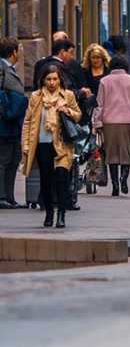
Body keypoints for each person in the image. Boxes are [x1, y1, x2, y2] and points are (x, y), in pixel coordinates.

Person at [21, 64, 81, 228]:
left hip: (62, 145)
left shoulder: (67, 95)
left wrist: (67, 110)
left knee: (62, 179)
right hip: (42, 144)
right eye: (49, 79)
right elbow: (28, 122)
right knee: (46, 182)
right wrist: (25, 144)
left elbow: (78, 115)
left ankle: (61, 214)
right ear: (43, 80)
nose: (52, 82)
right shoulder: (36, 97)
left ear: (60, 80)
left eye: (55, 79)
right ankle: (49, 212)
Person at [93, 55, 130, 196]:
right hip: (128, 121)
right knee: (126, 152)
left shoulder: (104, 81)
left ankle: (115, 184)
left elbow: (100, 104)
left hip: (109, 122)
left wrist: (96, 122)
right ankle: (124, 178)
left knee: (111, 154)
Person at [0, 38, 27, 209]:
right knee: (3, 160)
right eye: (20, 50)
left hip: (14, 124)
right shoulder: (2, 69)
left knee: (13, 160)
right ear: (14, 52)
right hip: (4, 124)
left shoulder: (10, 69)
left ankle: (9, 196)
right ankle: (2, 196)